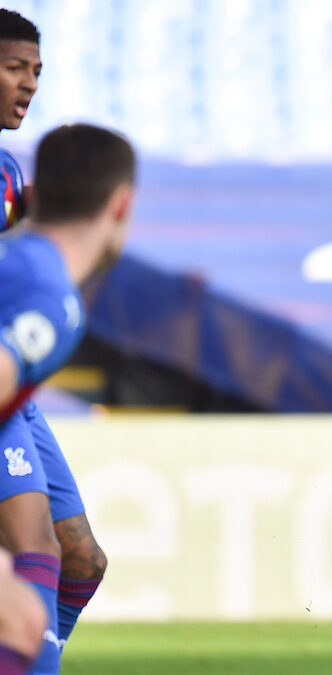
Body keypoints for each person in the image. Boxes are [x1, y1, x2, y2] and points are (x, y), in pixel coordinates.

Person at [0, 122, 135, 674]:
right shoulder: (50, 297)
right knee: (23, 616)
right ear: (121, 206)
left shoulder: (25, 267)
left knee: (39, 599)